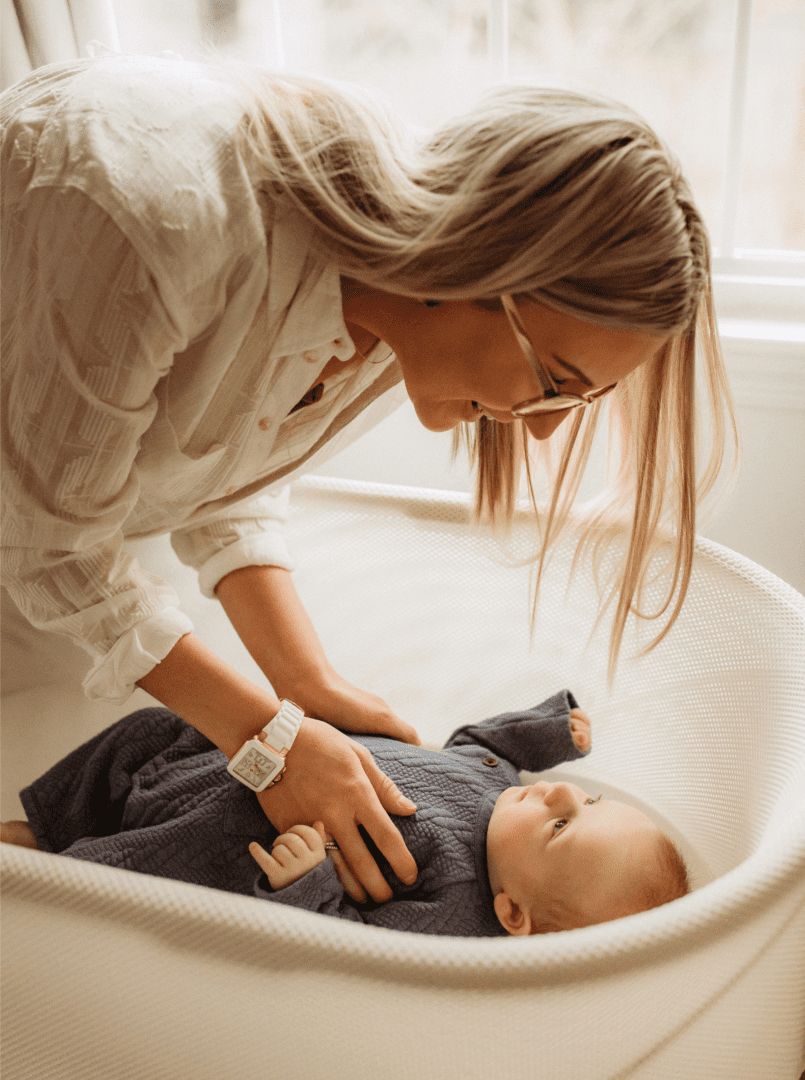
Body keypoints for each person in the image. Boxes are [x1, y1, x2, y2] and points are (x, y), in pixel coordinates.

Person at [0, 52, 733, 905]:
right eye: (555, 382)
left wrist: (305, 682)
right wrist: (266, 739)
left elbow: (222, 468)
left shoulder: (397, 318)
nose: (544, 427)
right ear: (485, 270)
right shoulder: (156, 214)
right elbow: (50, 546)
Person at [2, 690, 689, 935]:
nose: (560, 793)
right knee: (143, 733)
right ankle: (36, 831)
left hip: (206, 843)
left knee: (83, 880)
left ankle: (31, 867)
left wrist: (307, 885)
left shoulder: (458, 908)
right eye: (590, 798)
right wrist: (542, 730)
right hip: (219, 756)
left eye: (561, 826)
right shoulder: (499, 784)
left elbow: (357, 951)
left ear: (513, 912)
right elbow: (473, 743)